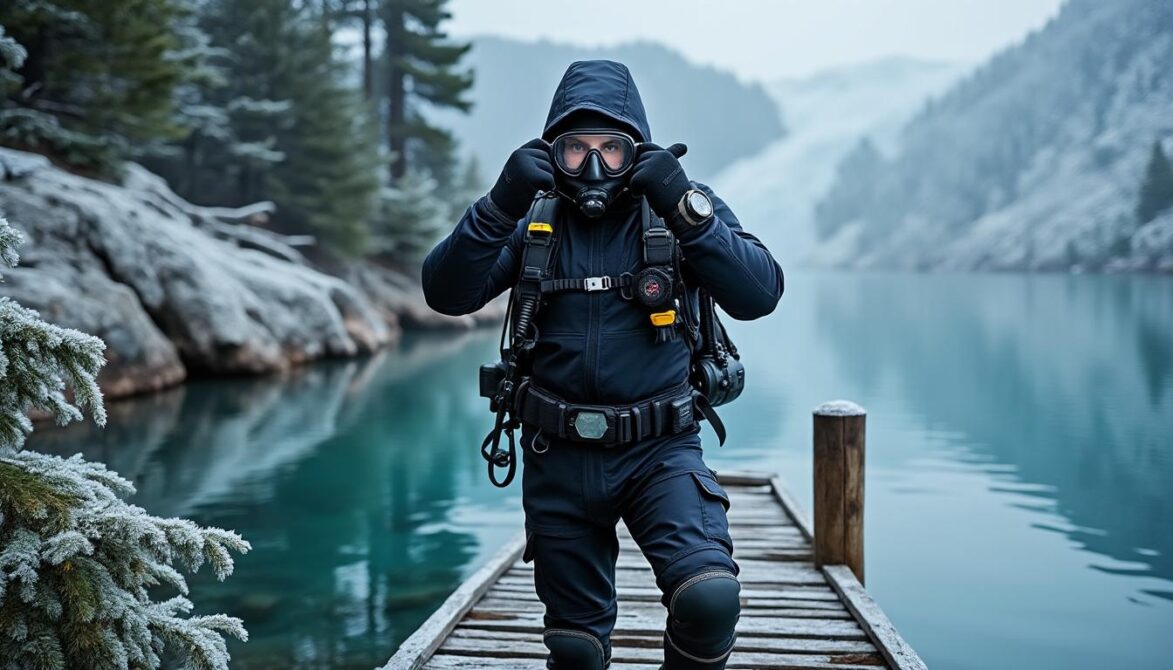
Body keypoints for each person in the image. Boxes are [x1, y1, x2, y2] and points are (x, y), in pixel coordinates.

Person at [421, 60, 784, 670]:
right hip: (555, 456)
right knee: (575, 650)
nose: (594, 167)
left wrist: (686, 207)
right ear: (551, 151)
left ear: (636, 149)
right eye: (576, 150)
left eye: (612, 150)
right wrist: (496, 205)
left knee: (711, 599)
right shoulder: (532, 218)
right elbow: (445, 293)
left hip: (659, 450)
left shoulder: (676, 209)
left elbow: (760, 293)